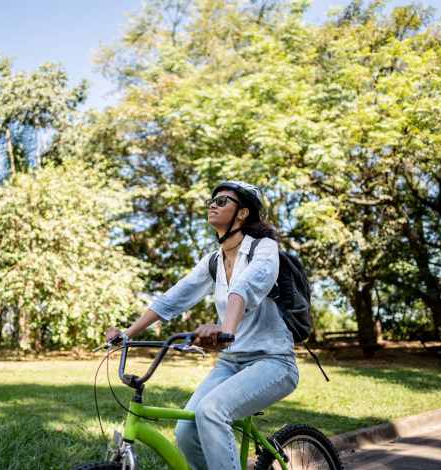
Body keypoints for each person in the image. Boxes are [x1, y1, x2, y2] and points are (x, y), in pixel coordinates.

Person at [105, 181, 298, 470]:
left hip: (273, 361)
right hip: (231, 363)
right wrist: (127, 334)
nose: (213, 204)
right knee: (186, 430)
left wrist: (226, 330)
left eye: (222, 201)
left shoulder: (264, 248)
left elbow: (245, 287)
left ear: (243, 213)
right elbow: (174, 298)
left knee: (211, 411)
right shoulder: (213, 261)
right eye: (212, 200)